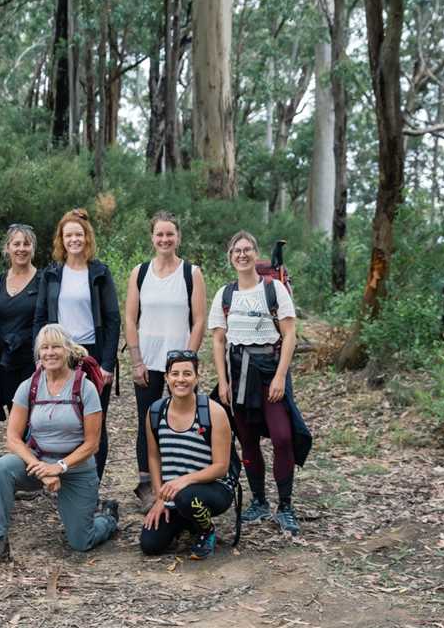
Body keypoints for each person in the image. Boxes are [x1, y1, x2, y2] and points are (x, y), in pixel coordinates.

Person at [0, 324, 119, 564]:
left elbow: (92, 444)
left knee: (81, 542)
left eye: (56, 347)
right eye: (44, 348)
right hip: (39, 462)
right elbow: (12, 437)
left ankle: (107, 519)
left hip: (76, 468)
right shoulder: (29, 386)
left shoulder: (85, 387)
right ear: (38, 353)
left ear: (68, 351)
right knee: (1, 467)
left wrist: (60, 467)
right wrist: (39, 468)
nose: (50, 353)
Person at [208, 231, 310, 535]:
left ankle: (286, 506)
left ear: (256, 254)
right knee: (247, 440)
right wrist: (222, 381)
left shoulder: (273, 289)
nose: (242, 254)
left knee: (282, 437)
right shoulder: (225, 294)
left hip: (269, 373)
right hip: (238, 376)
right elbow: (217, 340)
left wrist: (280, 375)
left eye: (247, 249)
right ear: (230, 257)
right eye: (236, 250)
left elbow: (289, 334)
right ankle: (259, 501)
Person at [124, 211, 206, 510]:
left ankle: (180, 477)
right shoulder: (140, 272)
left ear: (178, 237)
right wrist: (136, 360)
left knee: (182, 419)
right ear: (152, 237)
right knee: (148, 420)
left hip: (179, 364)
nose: (164, 239)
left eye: (170, 234)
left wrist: (188, 362)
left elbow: (199, 321)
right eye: (159, 234)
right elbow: (130, 319)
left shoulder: (191, 273)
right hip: (147, 360)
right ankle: (146, 484)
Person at [34, 209, 120, 481]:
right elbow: (39, 318)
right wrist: (39, 355)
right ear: (62, 238)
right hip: (58, 354)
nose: (74, 240)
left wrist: (107, 363)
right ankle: (64, 476)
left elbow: (113, 319)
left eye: (78, 234)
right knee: (65, 419)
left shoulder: (99, 273)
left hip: (91, 353)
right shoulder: (52, 274)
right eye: (68, 235)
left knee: (95, 420)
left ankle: (91, 482)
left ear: (87, 238)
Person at [140, 350, 235, 559]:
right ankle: (187, 521)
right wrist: (159, 498)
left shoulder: (213, 412)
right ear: (166, 377)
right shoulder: (156, 411)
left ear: (197, 377)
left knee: (187, 497)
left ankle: (205, 529)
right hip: (175, 493)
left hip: (213, 489)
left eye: (187, 374)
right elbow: (154, 457)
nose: (180, 380)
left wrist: (184, 481)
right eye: (175, 374)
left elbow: (221, 466)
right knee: (151, 545)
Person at [0, 224, 40, 421]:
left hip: (34, 361)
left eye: (26, 244)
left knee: (34, 415)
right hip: (4, 360)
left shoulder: (44, 280)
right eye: (16, 244)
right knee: (15, 414)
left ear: (33, 248)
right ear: (7, 248)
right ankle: (20, 452)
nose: (21, 248)